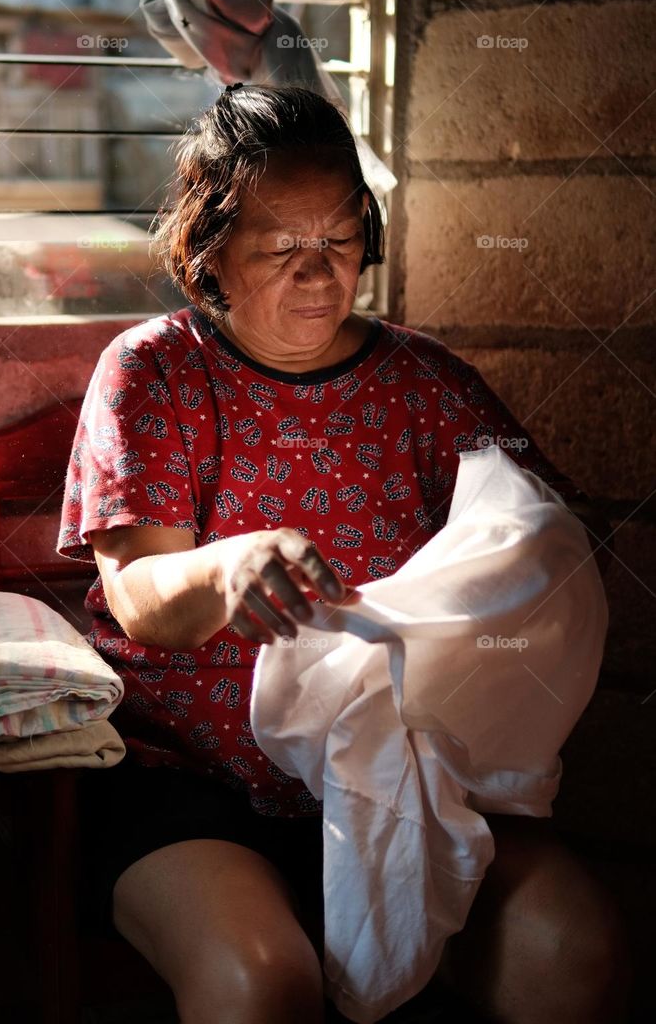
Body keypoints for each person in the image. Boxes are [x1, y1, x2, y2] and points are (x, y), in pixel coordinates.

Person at [58, 84, 629, 1024]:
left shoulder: (429, 382)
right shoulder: (153, 369)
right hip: (193, 785)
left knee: (570, 945)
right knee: (259, 983)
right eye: (281, 248)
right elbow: (138, 596)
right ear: (208, 251)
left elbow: (545, 548)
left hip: (408, 774)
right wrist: (226, 567)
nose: (318, 275)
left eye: (338, 241)